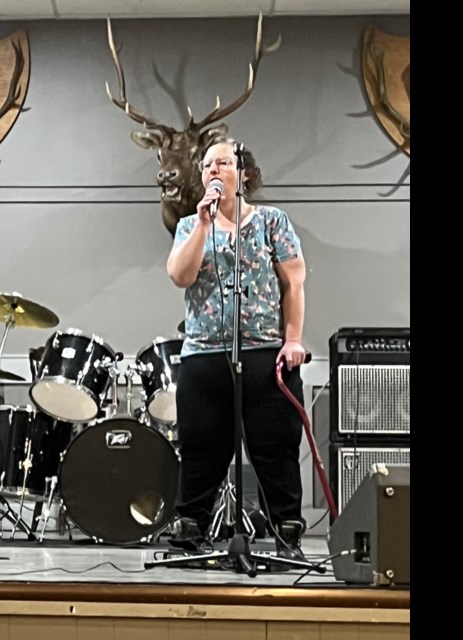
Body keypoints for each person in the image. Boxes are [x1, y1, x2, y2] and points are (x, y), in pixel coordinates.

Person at [165, 139, 308, 559]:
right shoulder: (191, 226)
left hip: (264, 350)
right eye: (207, 165)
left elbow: (293, 283)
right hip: (205, 353)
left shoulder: (271, 222)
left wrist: (294, 339)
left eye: (223, 163)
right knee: (201, 444)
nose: (213, 170)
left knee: (275, 444)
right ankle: (191, 526)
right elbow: (179, 275)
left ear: (243, 173)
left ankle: (286, 531)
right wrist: (205, 225)